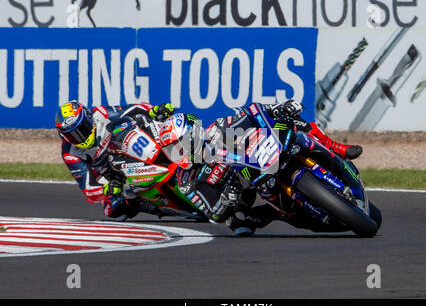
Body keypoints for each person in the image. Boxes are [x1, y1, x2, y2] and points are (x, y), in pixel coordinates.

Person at [164, 99, 363, 236]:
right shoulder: (186, 182)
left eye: (178, 144)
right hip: (241, 193)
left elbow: (251, 114)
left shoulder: (217, 129)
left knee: (294, 125)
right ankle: (278, 214)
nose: (176, 151)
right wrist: (227, 200)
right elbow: (213, 215)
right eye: (171, 148)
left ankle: (337, 148)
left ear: (192, 133)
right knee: (241, 224)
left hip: (259, 160)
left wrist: (276, 108)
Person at [55, 100, 175, 221]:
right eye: (72, 135)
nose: (80, 137)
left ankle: (179, 151)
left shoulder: (103, 114)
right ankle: (150, 206)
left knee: (156, 122)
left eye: (82, 128)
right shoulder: (70, 154)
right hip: (114, 178)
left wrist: (153, 110)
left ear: (88, 117)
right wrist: (107, 188)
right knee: (112, 208)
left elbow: (134, 109)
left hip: (131, 150)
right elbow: (88, 188)